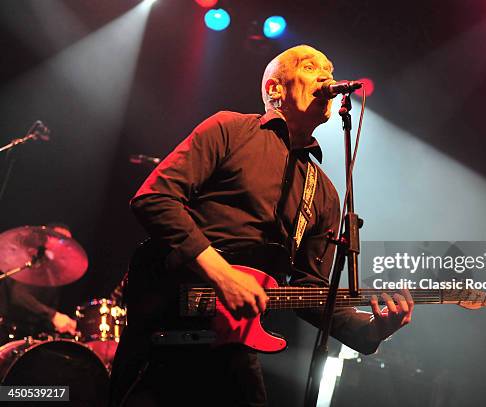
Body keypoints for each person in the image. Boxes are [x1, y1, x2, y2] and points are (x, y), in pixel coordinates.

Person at [109, 45, 414, 406]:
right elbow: (154, 198)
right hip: (166, 338)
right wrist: (222, 275)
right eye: (310, 66)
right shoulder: (229, 130)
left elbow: (312, 291)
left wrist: (373, 330)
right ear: (275, 90)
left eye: (330, 70)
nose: (326, 76)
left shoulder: (325, 194)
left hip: (235, 350)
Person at [0, 223, 78, 343]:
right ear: (46, 239)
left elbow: (44, 314)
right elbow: (19, 296)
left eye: (68, 242)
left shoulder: (54, 274)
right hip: (7, 332)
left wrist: (65, 326)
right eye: (61, 239)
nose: (66, 245)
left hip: (31, 334)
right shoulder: (32, 261)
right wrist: (54, 316)